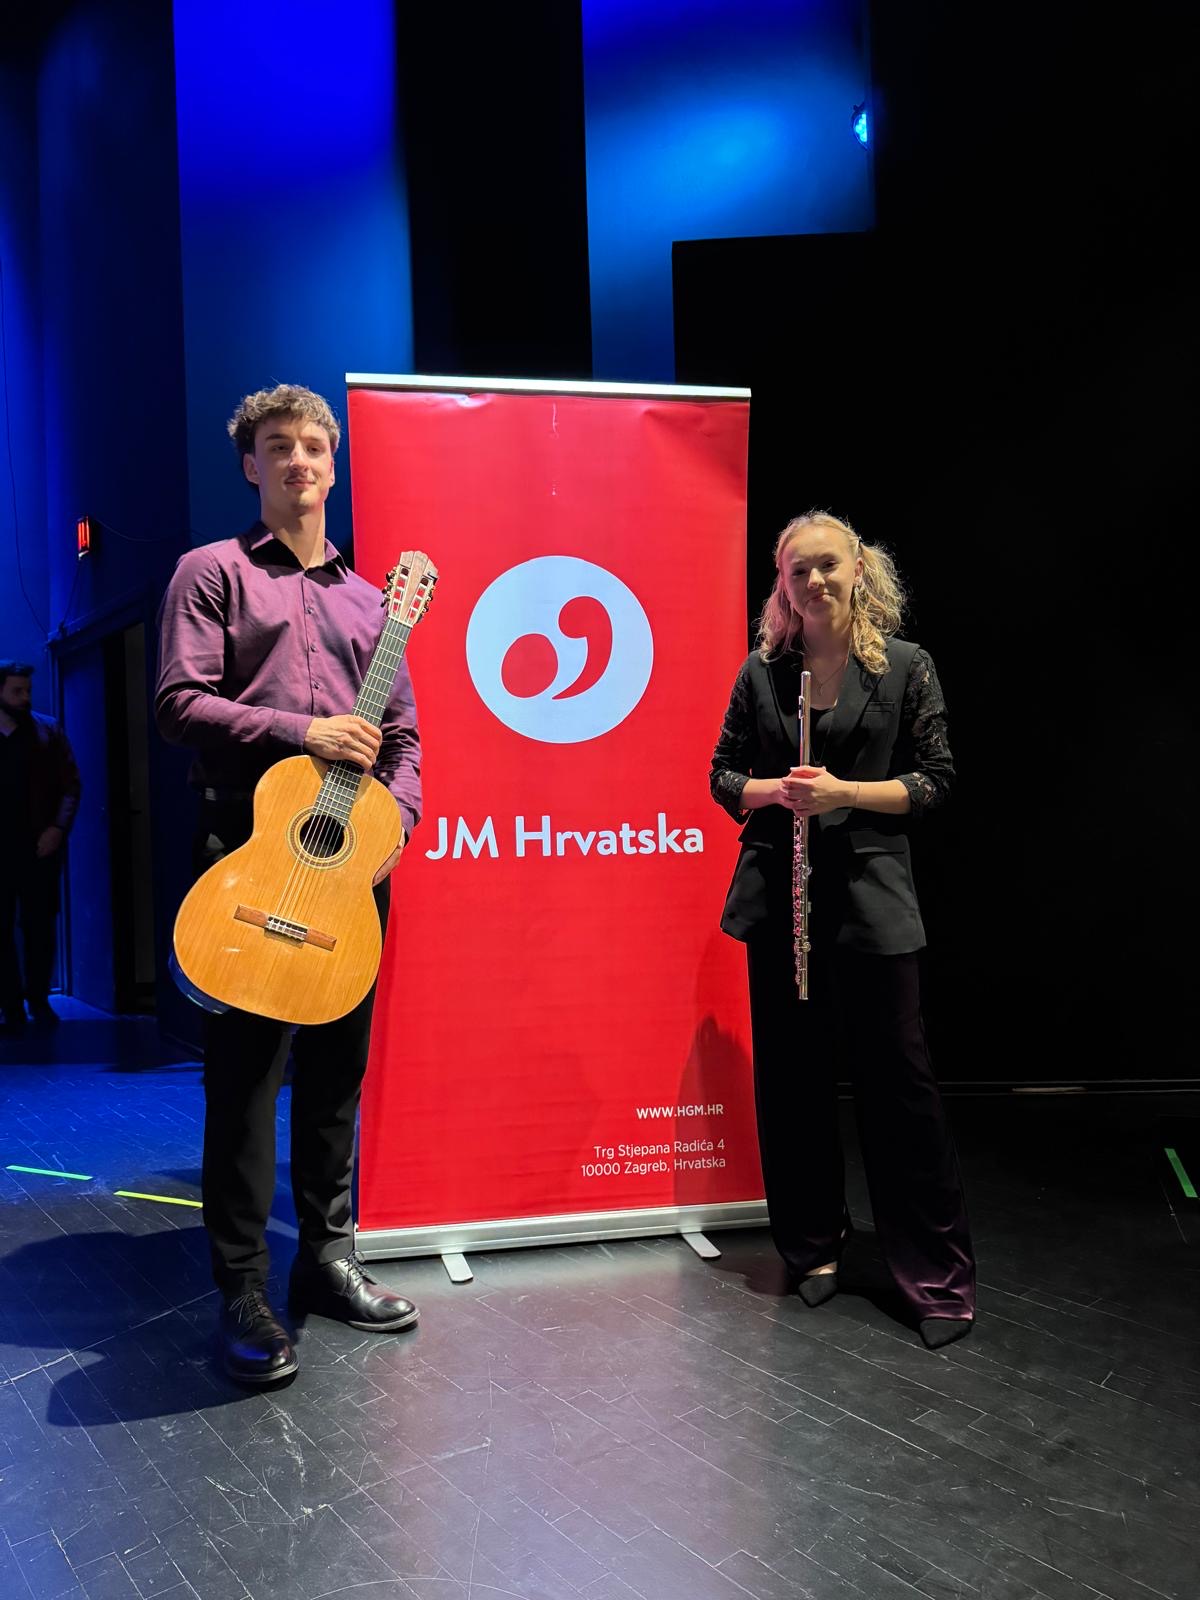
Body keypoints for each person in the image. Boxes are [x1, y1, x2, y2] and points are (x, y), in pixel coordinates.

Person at [156, 383, 422, 1384]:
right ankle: (240, 1288)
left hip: (351, 862)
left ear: (333, 464)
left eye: (315, 445)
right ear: (251, 465)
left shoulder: (372, 601)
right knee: (244, 1083)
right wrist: (301, 731)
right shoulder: (212, 572)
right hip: (249, 846)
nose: (300, 459)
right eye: (279, 445)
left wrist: (398, 826)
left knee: (336, 1074)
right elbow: (179, 702)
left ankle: (325, 1257)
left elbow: (405, 739)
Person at [709, 511, 974, 1350]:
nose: (815, 581)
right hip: (780, 900)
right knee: (792, 1084)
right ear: (783, 585)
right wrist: (772, 792)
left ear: (859, 568)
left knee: (901, 1091)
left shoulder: (905, 666)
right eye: (799, 571)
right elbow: (721, 775)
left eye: (828, 565)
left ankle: (934, 1278)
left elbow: (935, 782)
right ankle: (813, 1245)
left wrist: (843, 794)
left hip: (871, 899)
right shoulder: (763, 672)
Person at [0, 661, 81, 1035]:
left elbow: (71, 785)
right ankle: (10, 1005)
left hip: (38, 847)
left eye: (27, 690)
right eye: (17, 691)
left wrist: (57, 828)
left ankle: (38, 998)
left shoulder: (47, 730)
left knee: (40, 926)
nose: (25, 698)